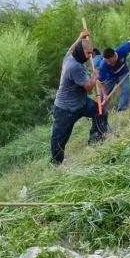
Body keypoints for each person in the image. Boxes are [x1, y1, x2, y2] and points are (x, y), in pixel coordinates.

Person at [51, 30, 108, 164]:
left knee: (100, 112)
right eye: (88, 53)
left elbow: (72, 48)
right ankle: (56, 163)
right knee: (60, 137)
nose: (90, 56)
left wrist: (80, 37)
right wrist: (94, 77)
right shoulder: (75, 67)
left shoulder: (70, 56)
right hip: (66, 109)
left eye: (91, 53)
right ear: (81, 51)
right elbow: (88, 88)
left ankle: (96, 139)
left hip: (81, 103)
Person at [97, 40, 130, 111]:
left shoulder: (122, 50)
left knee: (125, 89)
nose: (108, 63)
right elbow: (102, 82)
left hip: (123, 72)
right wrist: (105, 94)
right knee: (102, 96)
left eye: (110, 61)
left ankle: (122, 109)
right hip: (110, 77)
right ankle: (99, 111)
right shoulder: (103, 65)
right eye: (106, 61)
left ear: (114, 55)